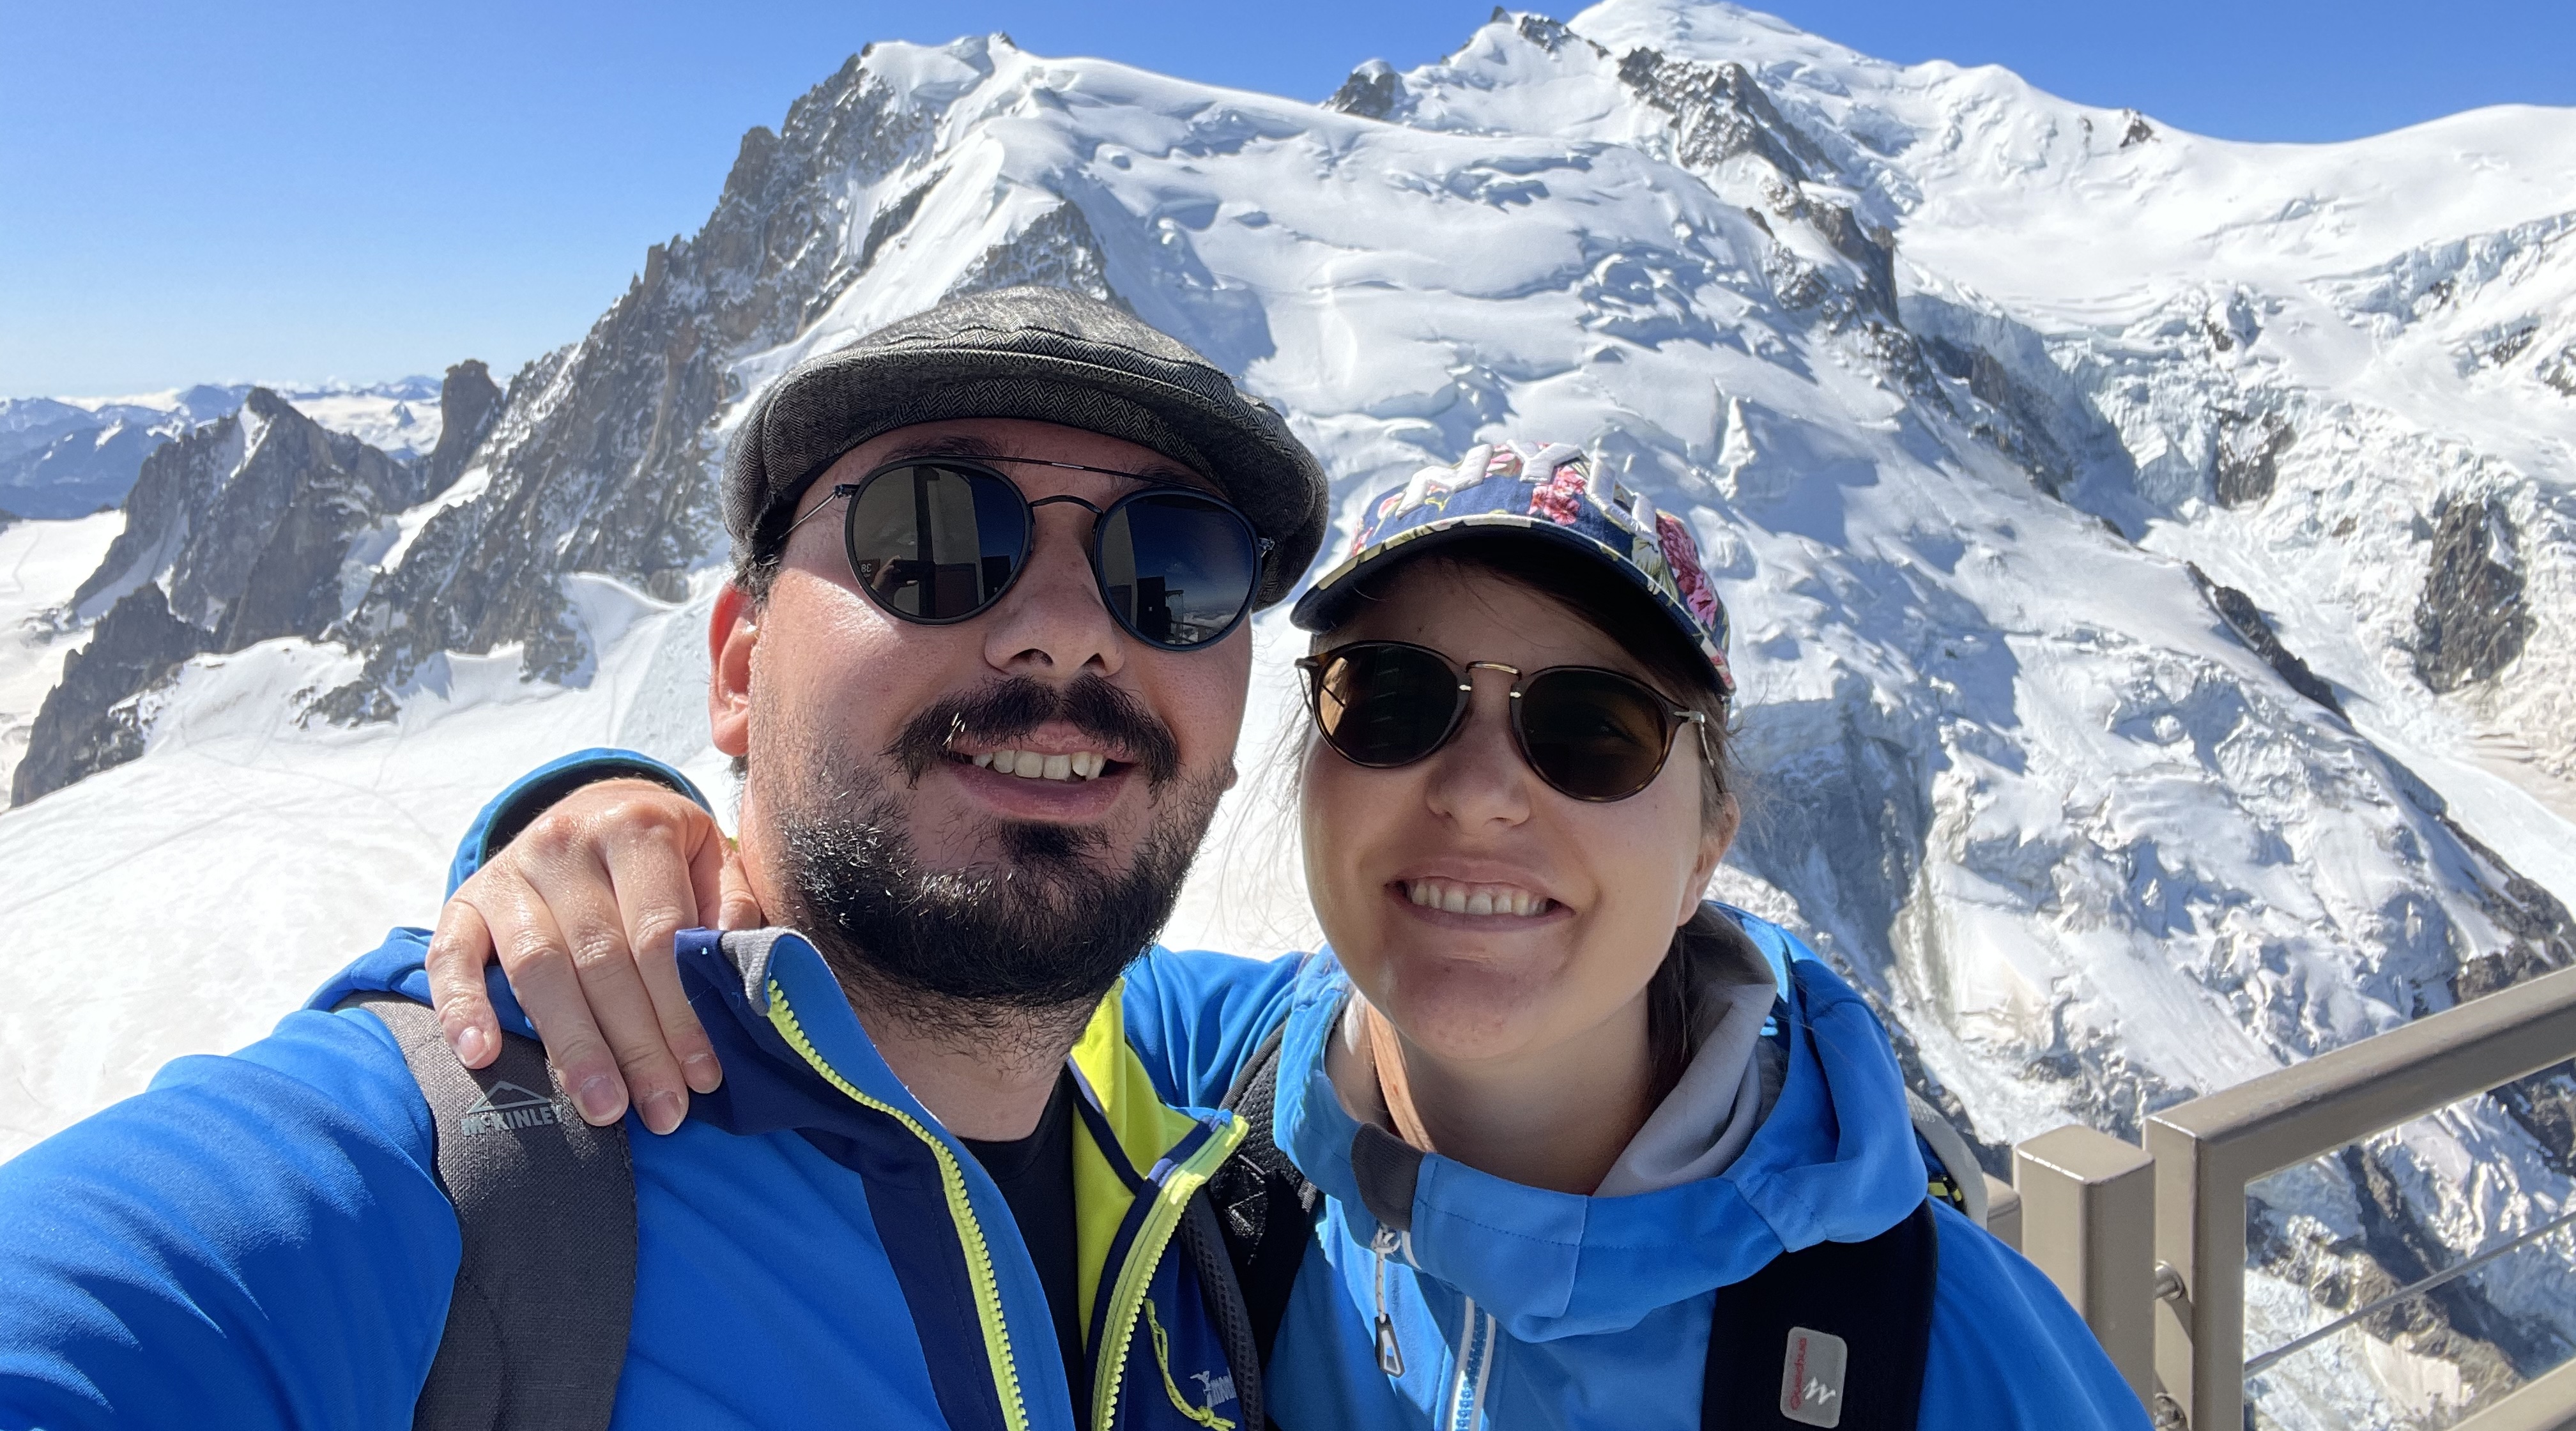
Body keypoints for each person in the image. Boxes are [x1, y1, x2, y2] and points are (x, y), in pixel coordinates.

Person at [429, 440, 2150, 1428]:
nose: (1480, 792)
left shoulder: (1938, 1347)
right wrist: (611, 833)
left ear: (1710, 836)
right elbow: (896, 946)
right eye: (1394, 700)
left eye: (1590, 732)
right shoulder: (1176, 1083)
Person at [0, 286, 1335, 1431]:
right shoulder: (471, 1157)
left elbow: (1459, 993)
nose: (1066, 631)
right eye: (938, 535)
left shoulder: (1186, 1087)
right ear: (739, 671)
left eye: (1176, 567)